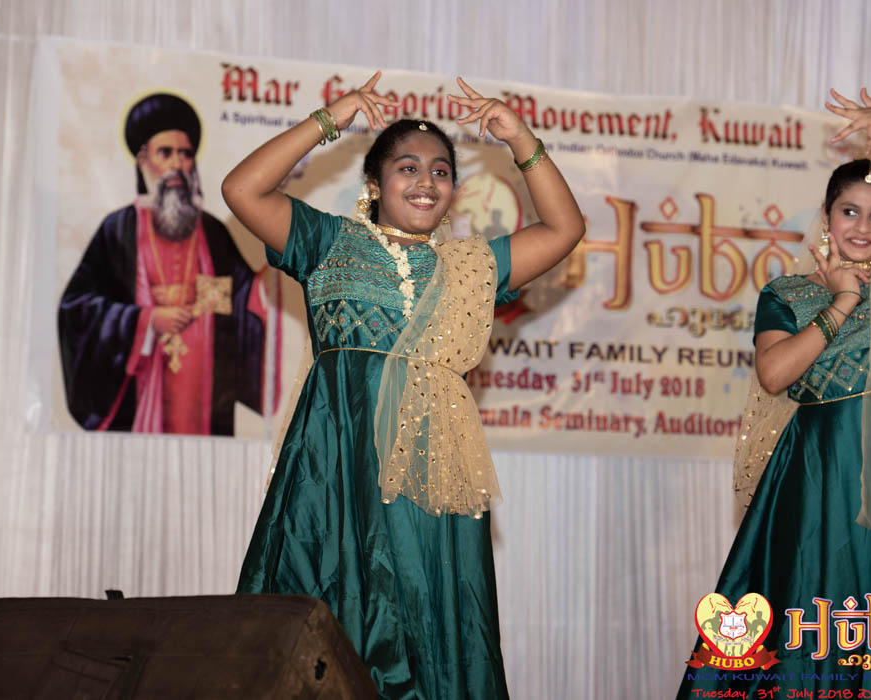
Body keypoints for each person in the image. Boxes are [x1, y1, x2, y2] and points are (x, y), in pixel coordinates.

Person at [222, 72, 584, 698]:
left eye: (441, 172)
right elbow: (241, 189)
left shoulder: (468, 266)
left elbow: (564, 229)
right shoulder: (326, 243)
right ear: (374, 183)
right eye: (407, 168)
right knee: (329, 609)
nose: (426, 182)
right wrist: (330, 119)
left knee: (428, 615)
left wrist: (520, 138)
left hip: (429, 473)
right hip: (337, 467)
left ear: (454, 192)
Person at [677, 89, 871, 697]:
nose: (863, 226)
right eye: (850, 211)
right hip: (818, 473)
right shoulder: (787, 294)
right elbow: (775, 374)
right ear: (827, 216)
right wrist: (842, 301)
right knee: (810, 614)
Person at [58, 93, 265, 435]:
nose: (177, 164)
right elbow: (77, 308)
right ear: (143, 161)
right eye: (165, 153)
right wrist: (146, 320)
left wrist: (270, 281)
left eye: (185, 154)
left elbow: (242, 300)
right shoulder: (119, 229)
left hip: (202, 394)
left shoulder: (212, 231)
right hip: (139, 386)